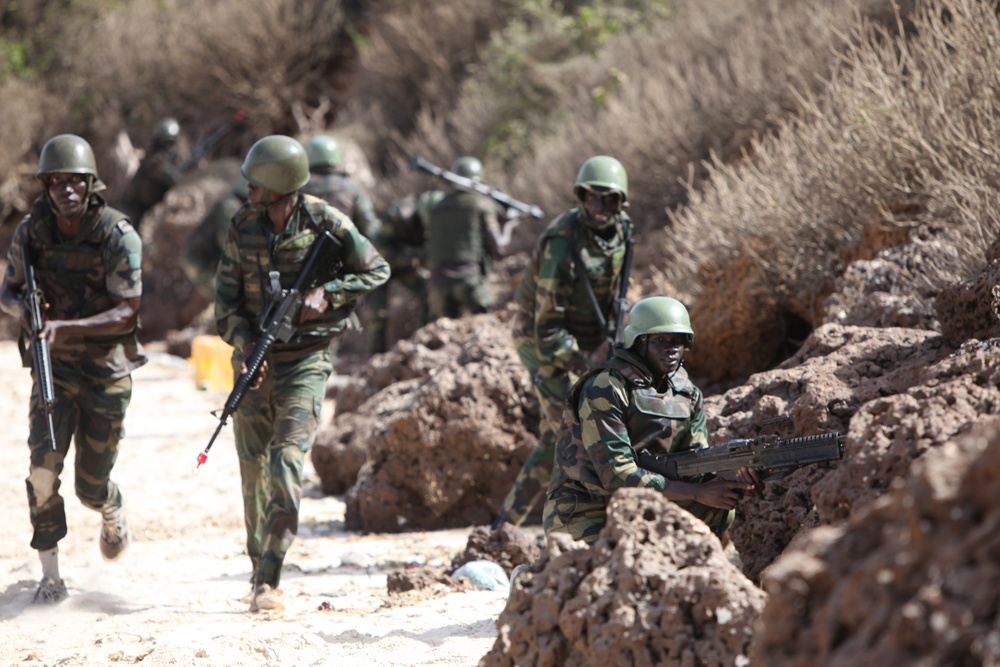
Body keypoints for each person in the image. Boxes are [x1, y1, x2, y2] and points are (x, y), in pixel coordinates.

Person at [215, 135, 389, 613]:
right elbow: (225, 304)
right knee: (253, 474)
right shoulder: (241, 225)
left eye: (255, 184)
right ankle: (257, 569)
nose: (247, 191)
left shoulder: (325, 220)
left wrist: (329, 293)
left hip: (306, 363)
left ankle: (270, 578)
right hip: (253, 363)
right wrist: (246, 342)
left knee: (287, 461)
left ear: (278, 186)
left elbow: (377, 270)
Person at [0, 134, 146, 603]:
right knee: (42, 471)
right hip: (53, 369)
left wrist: (67, 325)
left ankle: (111, 507)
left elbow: (128, 310)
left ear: (90, 185)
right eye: (57, 182)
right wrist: (26, 311)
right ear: (45, 187)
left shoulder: (116, 233)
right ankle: (50, 576)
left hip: (106, 371)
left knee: (91, 485)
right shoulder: (31, 232)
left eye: (75, 182)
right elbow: (8, 290)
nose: (66, 191)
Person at [544, 296, 764, 544]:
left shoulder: (687, 394)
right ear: (638, 343)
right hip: (587, 506)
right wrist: (695, 492)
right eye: (660, 340)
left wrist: (733, 478)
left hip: (648, 501)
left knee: (718, 507)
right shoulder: (606, 386)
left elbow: (696, 461)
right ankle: (532, 575)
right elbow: (616, 473)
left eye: (678, 341)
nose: (671, 348)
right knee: (605, 568)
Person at [495, 155, 633, 528]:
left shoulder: (622, 233)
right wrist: (586, 359)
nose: (600, 209)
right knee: (565, 432)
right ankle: (516, 527)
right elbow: (547, 328)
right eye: (592, 198)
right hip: (544, 342)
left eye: (610, 200)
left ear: (621, 203)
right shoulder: (562, 242)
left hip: (592, 341)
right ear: (580, 197)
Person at [424, 156, 515, 321]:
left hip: (438, 285)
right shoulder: (481, 205)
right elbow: (500, 250)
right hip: (468, 281)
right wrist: (509, 224)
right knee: (484, 329)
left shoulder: (437, 207)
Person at [365, 189, 445, 354]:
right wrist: (412, 256)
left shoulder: (432, 222)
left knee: (430, 294)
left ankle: (424, 342)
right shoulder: (397, 216)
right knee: (379, 314)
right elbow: (379, 251)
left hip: (405, 268)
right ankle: (375, 359)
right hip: (378, 268)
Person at [300, 134, 380, 240]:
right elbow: (370, 228)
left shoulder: (299, 187)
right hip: (344, 252)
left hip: (302, 252)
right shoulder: (351, 188)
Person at [181, 177, 249, 300]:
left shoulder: (233, 204)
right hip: (201, 259)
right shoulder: (230, 206)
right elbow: (226, 241)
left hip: (204, 258)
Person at [120, 117, 182, 229]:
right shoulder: (155, 162)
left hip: (146, 211)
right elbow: (176, 182)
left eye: (172, 143)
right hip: (134, 211)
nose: (170, 148)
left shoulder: (164, 160)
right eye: (166, 143)